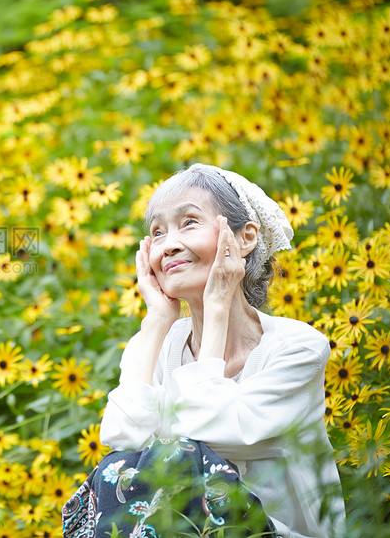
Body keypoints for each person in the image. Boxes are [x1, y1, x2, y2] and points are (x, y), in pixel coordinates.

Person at [63, 164, 345, 537]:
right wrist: (157, 321)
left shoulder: (298, 348)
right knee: (120, 466)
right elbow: (122, 439)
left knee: (178, 453)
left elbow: (210, 434)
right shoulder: (153, 346)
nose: (169, 245)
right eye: (157, 232)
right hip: (180, 529)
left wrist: (216, 311)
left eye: (189, 222)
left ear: (244, 239)